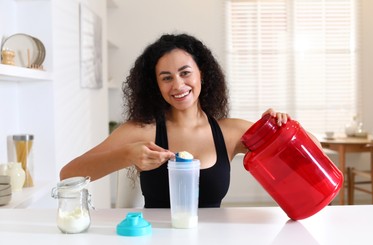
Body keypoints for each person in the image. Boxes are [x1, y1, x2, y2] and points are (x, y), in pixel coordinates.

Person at [60, 33, 291, 208]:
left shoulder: (230, 132)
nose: (178, 85)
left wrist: (282, 128)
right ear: (156, 86)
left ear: (202, 73)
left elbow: (310, 151)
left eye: (185, 73)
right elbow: (68, 175)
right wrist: (127, 155)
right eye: (166, 78)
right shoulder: (142, 131)